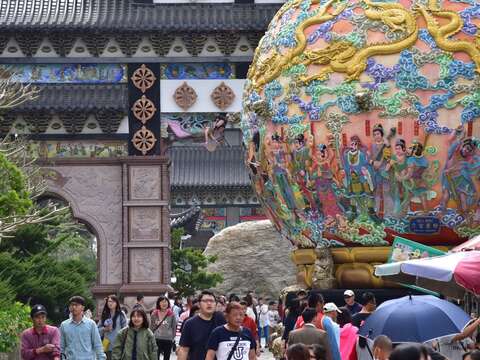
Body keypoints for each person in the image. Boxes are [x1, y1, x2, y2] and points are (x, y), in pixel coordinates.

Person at [177, 291, 226, 360]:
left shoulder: (221, 319)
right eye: (205, 301)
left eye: (212, 301)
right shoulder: (190, 323)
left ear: (215, 304)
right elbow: (184, 350)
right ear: (199, 304)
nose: (209, 303)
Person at [60, 296, 106, 360]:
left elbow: (97, 344)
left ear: (83, 308)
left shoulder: (91, 324)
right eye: (72, 305)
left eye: (76, 305)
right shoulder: (64, 325)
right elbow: (62, 347)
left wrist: (101, 358)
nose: (74, 307)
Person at [98, 295, 127, 360]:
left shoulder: (121, 314)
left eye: (113, 301)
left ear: (117, 303)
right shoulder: (105, 314)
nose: (110, 303)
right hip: (106, 344)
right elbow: (97, 330)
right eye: (109, 301)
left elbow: (125, 329)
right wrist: (104, 329)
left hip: (118, 344)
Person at [150, 296, 177, 360]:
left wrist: (173, 337)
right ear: (158, 303)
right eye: (162, 302)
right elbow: (152, 326)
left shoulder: (171, 314)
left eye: (165, 302)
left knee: (166, 357)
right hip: (156, 338)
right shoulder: (154, 314)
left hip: (168, 339)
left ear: (168, 303)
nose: (164, 303)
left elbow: (174, 327)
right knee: (156, 357)